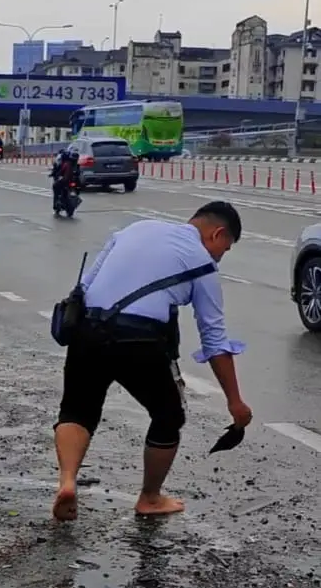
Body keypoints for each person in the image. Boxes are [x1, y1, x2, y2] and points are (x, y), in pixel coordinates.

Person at [51, 201, 253, 522]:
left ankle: (67, 482)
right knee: (168, 415)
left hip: (88, 329)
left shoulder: (135, 228)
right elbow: (215, 342)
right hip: (138, 340)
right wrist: (235, 402)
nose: (219, 257)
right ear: (217, 234)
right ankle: (150, 497)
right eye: (224, 249)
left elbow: (85, 286)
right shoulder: (203, 264)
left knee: (77, 410)